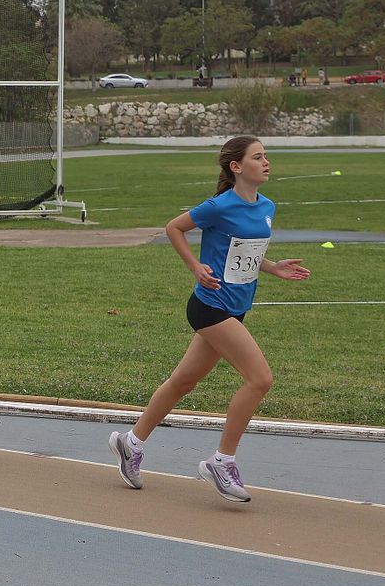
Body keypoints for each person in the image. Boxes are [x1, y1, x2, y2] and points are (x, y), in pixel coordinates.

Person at [108, 135, 310, 503]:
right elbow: (174, 227)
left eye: (266, 156)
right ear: (236, 167)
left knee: (182, 382)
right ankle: (221, 462)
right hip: (210, 307)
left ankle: (130, 442)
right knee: (260, 379)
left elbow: (243, 252)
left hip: (236, 308)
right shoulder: (219, 206)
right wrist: (195, 267)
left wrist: (272, 267)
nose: (266, 162)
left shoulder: (267, 206)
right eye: (258, 157)